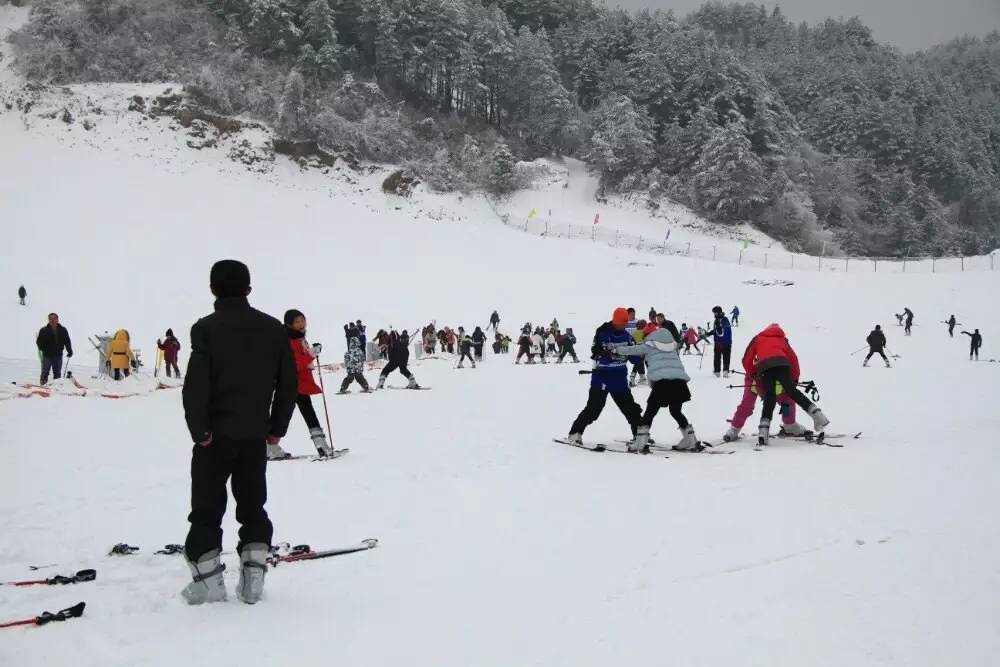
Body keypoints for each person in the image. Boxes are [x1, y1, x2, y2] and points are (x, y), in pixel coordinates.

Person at [181, 259, 297, 606]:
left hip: (214, 438)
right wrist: (276, 429)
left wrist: (200, 431)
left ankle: (208, 584)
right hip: (254, 437)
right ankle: (253, 580)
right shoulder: (273, 329)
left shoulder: (206, 329)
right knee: (253, 505)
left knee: (206, 509)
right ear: (248, 289)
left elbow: (195, 388)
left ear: (212, 289)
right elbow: (288, 384)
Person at [613, 319, 700, 452]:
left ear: (648, 335)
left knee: (650, 413)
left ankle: (640, 442)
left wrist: (616, 349)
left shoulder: (650, 344)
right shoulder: (672, 344)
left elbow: (633, 349)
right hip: (679, 382)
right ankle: (691, 439)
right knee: (676, 411)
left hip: (663, 383)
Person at [742, 323, 830, 447]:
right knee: (792, 392)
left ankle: (763, 431)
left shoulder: (758, 338)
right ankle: (818, 416)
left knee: (770, 396)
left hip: (765, 367)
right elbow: (793, 359)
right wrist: (794, 379)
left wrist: (754, 374)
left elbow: (746, 359)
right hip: (783, 365)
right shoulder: (783, 340)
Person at [565, 308, 643, 445]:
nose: (624, 325)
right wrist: (607, 352)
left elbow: (634, 357)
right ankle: (575, 433)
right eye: (622, 323)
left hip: (619, 379)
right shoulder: (602, 333)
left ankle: (639, 435)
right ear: (615, 321)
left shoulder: (627, 336)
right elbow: (595, 351)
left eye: (625, 323)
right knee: (594, 409)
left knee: (630, 408)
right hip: (602, 378)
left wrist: (640, 354)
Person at [283, 309, 335, 459]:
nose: (301, 324)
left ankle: (321, 445)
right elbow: (295, 364)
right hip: (291, 383)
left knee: (296, 413)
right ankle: (321, 445)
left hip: (300, 383)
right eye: (297, 322)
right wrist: (312, 354)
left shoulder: (299, 338)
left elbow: (303, 357)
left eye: (303, 320)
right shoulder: (289, 340)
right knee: (286, 414)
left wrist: (312, 351)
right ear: (289, 324)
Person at [723, 375, 806, 442]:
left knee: (787, 402)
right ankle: (735, 428)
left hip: (777, 379)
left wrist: (793, 379)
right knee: (747, 405)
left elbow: (793, 365)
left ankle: (790, 424)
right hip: (756, 379)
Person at [36, 313, 73, 385]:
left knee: (57, 373)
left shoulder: (63, 330)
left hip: (58, 355)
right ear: (48, 320)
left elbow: (67, 341)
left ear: (57, 319)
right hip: (47, 355)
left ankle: (56, 386)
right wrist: (41, 347)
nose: (52, 320)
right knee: (45, 372)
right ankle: (43, 385)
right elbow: (38, 341)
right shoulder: (43, 330)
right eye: (50, 319)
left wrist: (69, 351)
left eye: (54, 318)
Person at [711, 306, 733, 377]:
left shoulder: (719, 321)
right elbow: (717, 331)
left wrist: (713, 331)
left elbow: (720, 332)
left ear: (718, 313)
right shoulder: (725, 319)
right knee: (725, 357)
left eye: (715, 313)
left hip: (720, 343)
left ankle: (718, 372)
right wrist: (709, 333)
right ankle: (724, 371)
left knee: (718, 357)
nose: (714, 314)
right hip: (727, 342)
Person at [628, 320, 648, 387]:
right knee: (640, 363)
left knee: (638, 363)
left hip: (634, 351)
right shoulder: (642, 332)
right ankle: (633, 378)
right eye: (645, 325)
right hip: (640, 351)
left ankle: (640, 377)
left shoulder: (635, 332)